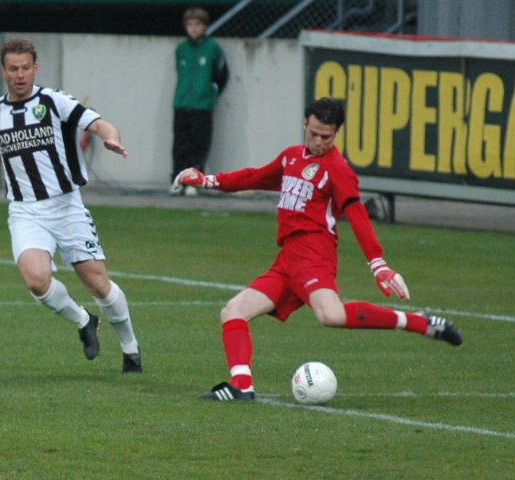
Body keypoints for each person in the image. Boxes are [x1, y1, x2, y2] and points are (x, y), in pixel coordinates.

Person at [172, 97, 462, 401]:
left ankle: (419, 322)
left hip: (314, 257)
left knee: (331, 316)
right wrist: (207, 180)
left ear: (336, 133)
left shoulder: (338, 169)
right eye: (314, 133)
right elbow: (256, 177)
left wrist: (378, 264)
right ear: (304, 124)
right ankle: (242, 386)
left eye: (327, 136)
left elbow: (357, 214)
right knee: (233, 311)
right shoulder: (291, 157)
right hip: (287, 261)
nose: (319, 141)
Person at [0, 38, 142, 373]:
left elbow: (98, 122)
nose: (20, 75)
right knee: (36, 280)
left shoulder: (53, 101)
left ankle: (131, 348)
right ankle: (83, 320)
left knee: (97, 283)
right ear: (3, 71)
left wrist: (110, 137)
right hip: (25, 210)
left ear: (36, 68)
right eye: (13, 69)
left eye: (26, 68)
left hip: (66, 206)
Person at [171, 6, 229, 196]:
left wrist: (211, 95)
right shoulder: (181, 49)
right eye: (190, 25)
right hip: (181, 104)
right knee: (180, 145)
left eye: (198, 24)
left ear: (204, 27)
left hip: (202, 107)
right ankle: (177, 180)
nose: (194, 28)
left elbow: (222, 75)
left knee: (199, 145)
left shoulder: (212, 49)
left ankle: (194, 183)